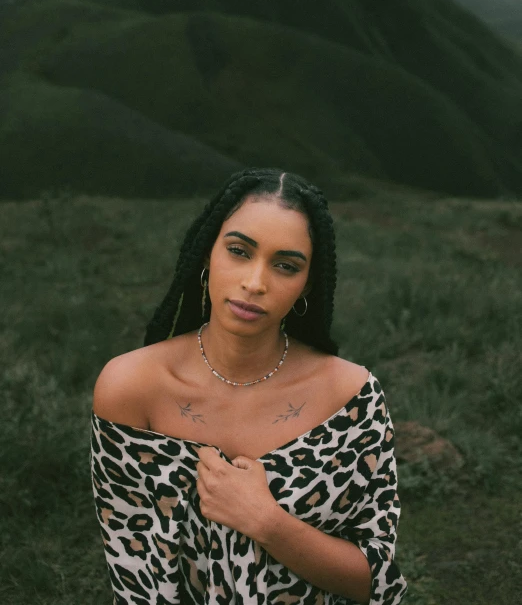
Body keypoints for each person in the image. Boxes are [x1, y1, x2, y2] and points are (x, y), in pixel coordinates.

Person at [90, 167, 407, 605]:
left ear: (307, 282)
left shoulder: (352, 399)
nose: (255, 283)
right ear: (207, 253)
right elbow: (137, 583)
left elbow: (375, 582)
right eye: (239, 251)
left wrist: (266, 521)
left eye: (285, 265)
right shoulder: (131, 389)